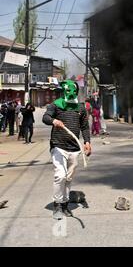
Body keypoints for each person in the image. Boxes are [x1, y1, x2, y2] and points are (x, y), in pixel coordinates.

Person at [43, 80, 91, 220]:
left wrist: (87, 141)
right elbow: (46, 117)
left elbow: (85, 127)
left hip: (74, 149)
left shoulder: (80, 108)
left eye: (73, 91)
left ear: (76, 92)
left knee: (68, 178)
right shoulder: (56, 105)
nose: (70, 94)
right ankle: (58, 205)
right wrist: (54, 121)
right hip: (58, 146)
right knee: (60, 175)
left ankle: (64, 204)